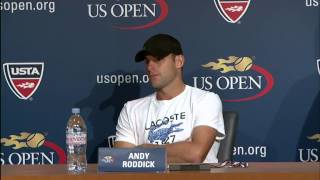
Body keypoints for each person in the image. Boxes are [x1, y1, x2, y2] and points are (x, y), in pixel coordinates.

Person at [114, 34, 225, 163]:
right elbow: (123, 161)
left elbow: (195, 154)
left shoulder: (206, 100)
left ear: (179, 61)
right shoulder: (131, 108)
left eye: (157, 60)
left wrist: (143, 150)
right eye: (147, 61)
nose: (150, 67)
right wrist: (179, 149)